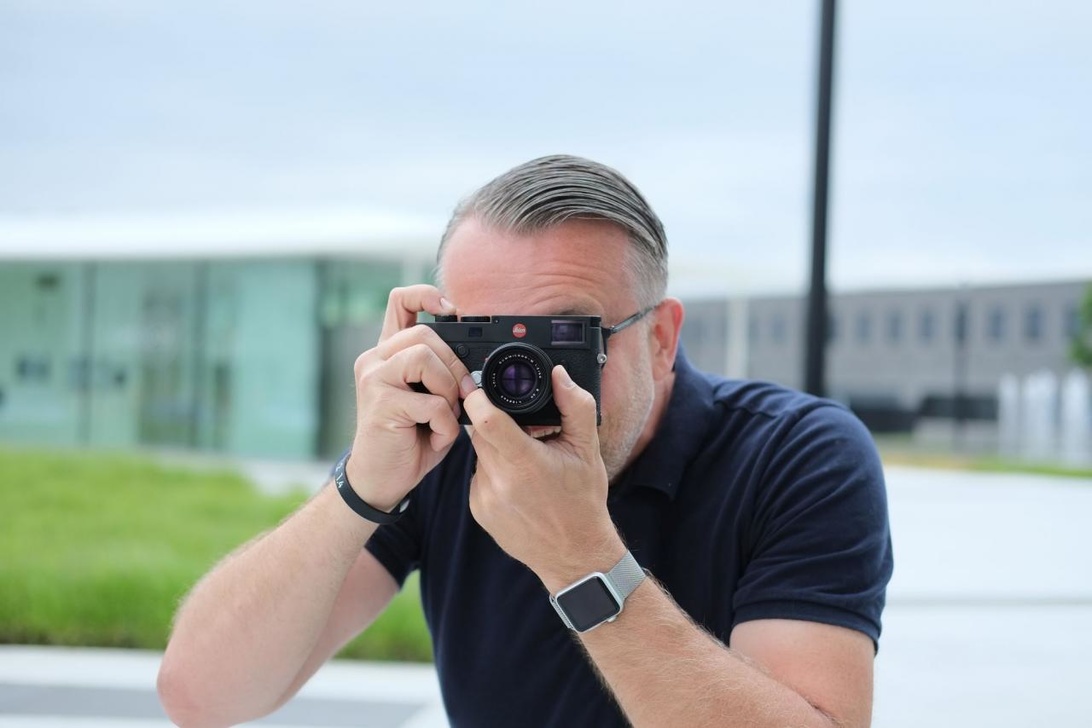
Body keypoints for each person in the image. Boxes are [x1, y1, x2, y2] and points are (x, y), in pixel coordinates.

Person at [158, 154, 893, 727]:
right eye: (484, 340)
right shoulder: (444, 441)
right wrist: (363, 487)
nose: (519, 379)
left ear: (661, 339)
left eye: (566, 338)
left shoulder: (796, 455)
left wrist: (582, 559)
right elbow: (201, 697)